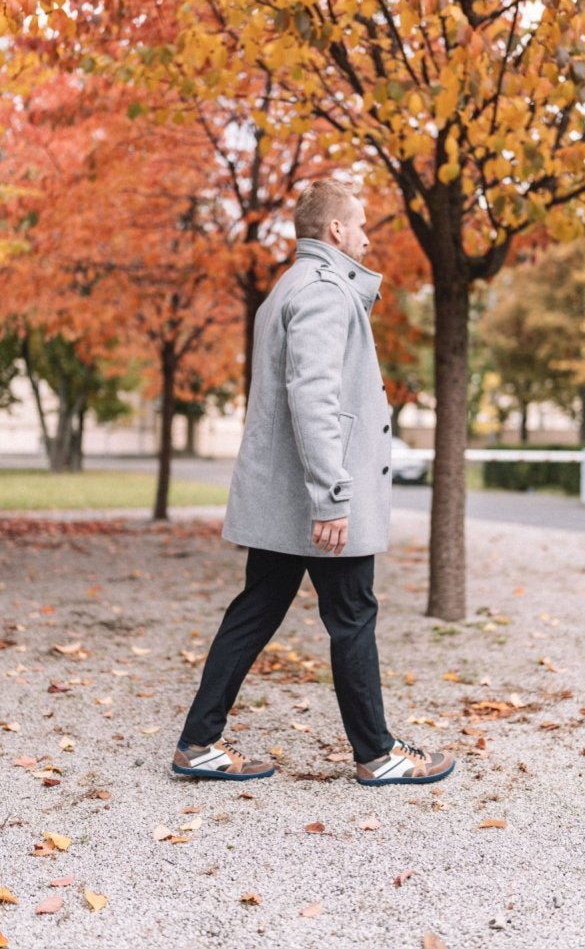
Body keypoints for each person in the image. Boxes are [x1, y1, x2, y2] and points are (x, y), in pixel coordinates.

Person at [171, 179, 456, 787]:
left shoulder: (287, 287)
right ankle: (376, 754)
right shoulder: (325, 293)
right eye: (360, 224)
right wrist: (333, 495)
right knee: (352, 613)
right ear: (334, 231)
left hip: (287, 496)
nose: (366, 235)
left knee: (257, 609)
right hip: (317, 500)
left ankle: (198, 742)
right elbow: (315, 400)